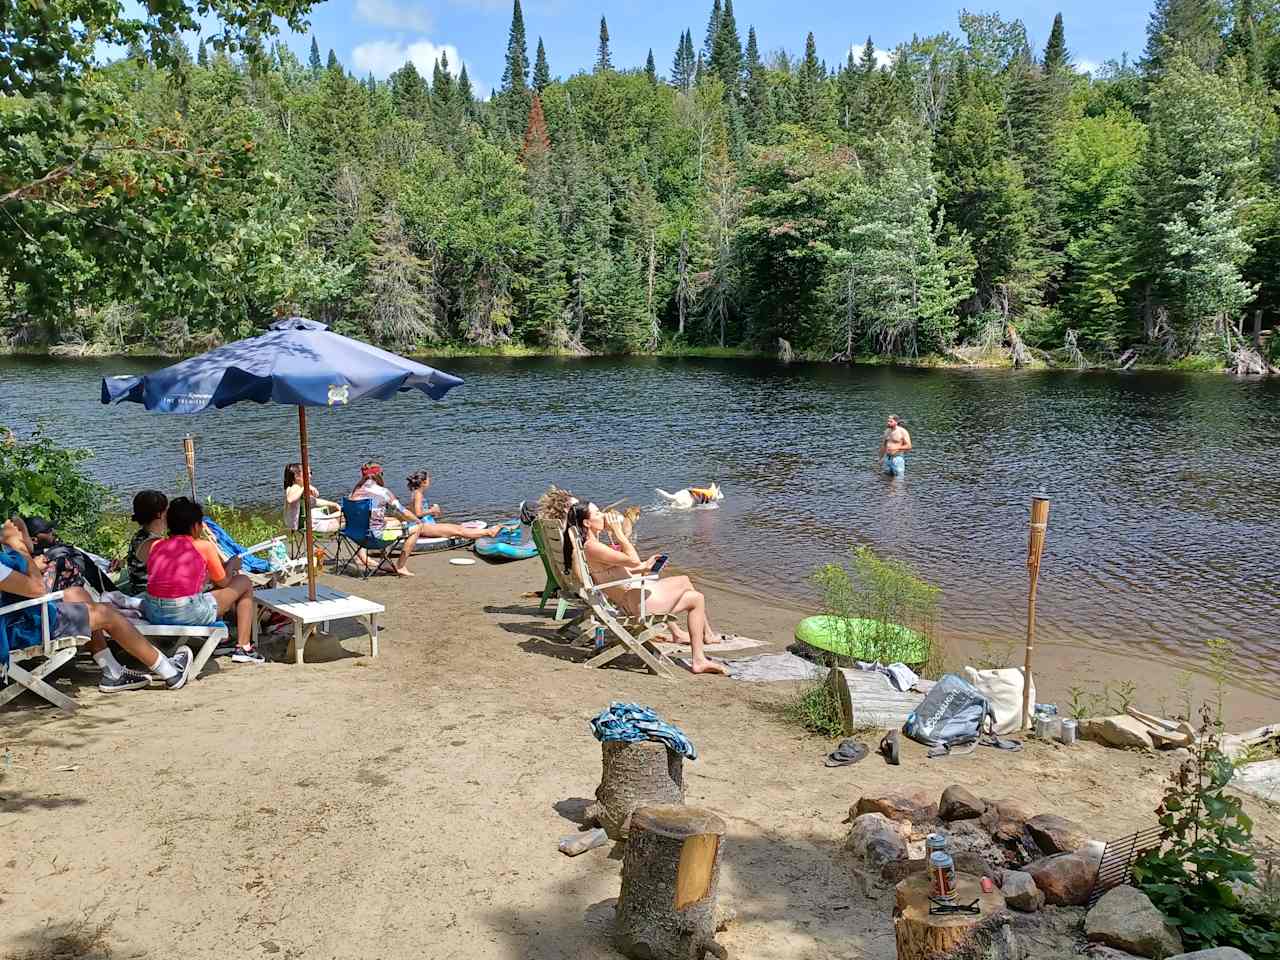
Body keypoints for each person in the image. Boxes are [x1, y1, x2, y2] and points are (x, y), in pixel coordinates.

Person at [1, 516, 193, 692]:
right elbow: (37, 588)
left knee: (77, 594)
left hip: (15, 617)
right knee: (106, 614)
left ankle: (113, 672)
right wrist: (20, 549)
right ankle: (170, 672)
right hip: (17, 629)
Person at [563, 501, 727, 676]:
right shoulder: (593, 546)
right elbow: (632, 559)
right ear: (587, 523)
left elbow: (612, 572)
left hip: (630, 597)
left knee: (686, 583)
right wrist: (619, 533)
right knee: (696, 598)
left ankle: (696, 640)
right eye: (597, 513)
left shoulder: (589, 545)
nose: (604, 515)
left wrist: (643, 567)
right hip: (636, 604)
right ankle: (699, 658)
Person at [144, 497, 262, 663]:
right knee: (243, 582)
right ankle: (244, 646)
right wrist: (233, 565)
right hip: (184, 613)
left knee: (208, 593)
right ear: (194, 526)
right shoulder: (203, 546)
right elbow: (224, 583)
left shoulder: (156, 546)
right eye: (200, 524)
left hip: (153, 610)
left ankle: (224, 641)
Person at [348, 463, 423, 576]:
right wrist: (417, 520)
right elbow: (402, 511)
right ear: (378, 475)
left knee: (391, 521)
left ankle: (385, 562)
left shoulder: (354, 492)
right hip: (375, 538)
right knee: (417, 527)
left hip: (356, 536)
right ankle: (401, 566)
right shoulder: (383, 492)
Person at [405, 471, 510, 542]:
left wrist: (430, 511)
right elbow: (418, 513)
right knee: (457, 531)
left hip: (424, 525)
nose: (430, 481)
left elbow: (411, 511)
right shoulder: (418, 494)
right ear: (423, 482)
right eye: (428, 479)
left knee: (457, 528)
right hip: (423, 527)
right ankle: (489, 532)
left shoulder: (415, 493)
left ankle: (487, 532)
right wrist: (432, 510)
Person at [124, 490, 167, 595]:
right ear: (159, 514)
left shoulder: (138, 536)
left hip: (137, 590)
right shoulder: (155, 544)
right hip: (149, 596)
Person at [283, 463, 337, 533]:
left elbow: (315, 501)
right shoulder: (295, 487)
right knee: (344, 517)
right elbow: (290, 499)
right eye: (307, 473)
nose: (310, 476)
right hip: (302, 524)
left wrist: (334, 504)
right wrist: (305, 486)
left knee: (336, 514)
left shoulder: (297, 489)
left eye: (310, 473)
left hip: (296, 524)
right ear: (297, 476)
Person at [878, 414, 913, 478]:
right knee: (886, 480)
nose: (888, 423)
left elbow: (909, 446)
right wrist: (880, 459)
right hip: (887, 459)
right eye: (888, 421)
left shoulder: (902, 431)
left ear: (896, 422)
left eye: (890, 421)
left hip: (897, 459)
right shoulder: (886, 431)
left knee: (898, 482)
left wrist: (896, 448)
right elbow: (883, 446)